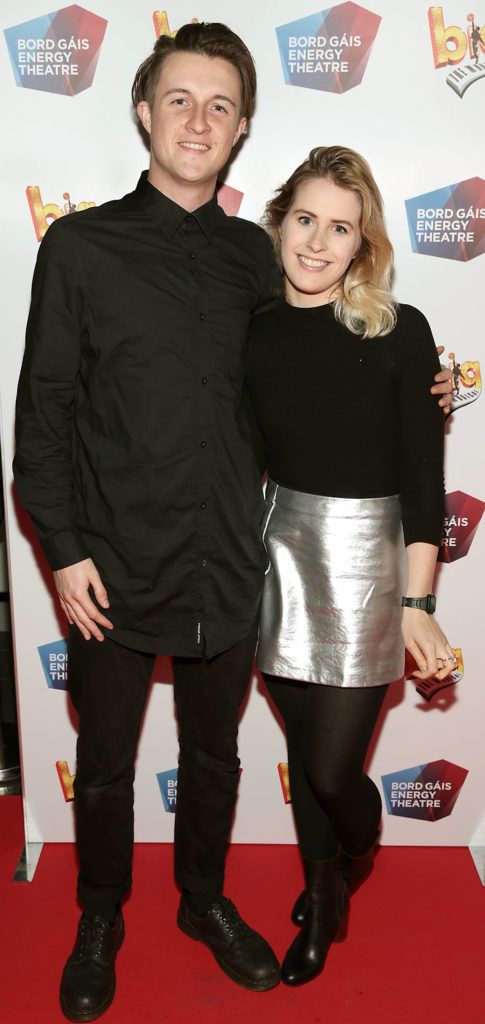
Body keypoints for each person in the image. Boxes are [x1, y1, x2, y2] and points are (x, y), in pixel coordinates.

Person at [13, 23, 452, 1019]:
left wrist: (420, 380)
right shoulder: (78, 247)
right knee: (109, 762)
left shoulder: (256, 259)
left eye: (218, 105)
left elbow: (334, 326)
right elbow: (39, 421)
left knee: (216, 755)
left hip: (229, 561)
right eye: (178, 99)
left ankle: (201, 900)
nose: (197, 120)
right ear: (142, 111)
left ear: (242, 126)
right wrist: (65, 550)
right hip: (112, 565)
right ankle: (97, 916)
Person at [244, 145, 455, 987]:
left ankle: (353, 856)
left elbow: (420, 478)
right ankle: (323, 894)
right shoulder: (250, 327)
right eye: (304, 220)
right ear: (279, 222)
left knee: (333, 772)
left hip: (371, 562)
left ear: (361, 244)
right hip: (279, 552)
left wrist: (415, 599)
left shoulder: (400, 332)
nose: (317, 243)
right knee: (304, 754)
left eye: (340, 228)